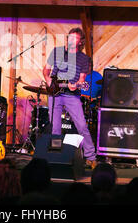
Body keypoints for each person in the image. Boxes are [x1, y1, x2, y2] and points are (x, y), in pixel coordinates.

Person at [42, 27, 97, 169]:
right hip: (54, 94)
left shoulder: (84, 59)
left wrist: (76, 85)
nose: (71, 40)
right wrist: (48, 79)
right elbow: (46, 69)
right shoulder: (57, 52)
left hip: (71, 95)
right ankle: (56, 155)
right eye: (70, 37)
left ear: (80, 42)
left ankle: (91, 157)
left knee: (82, 126)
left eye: (75, 38)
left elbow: (82, 79)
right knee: (55, 127)